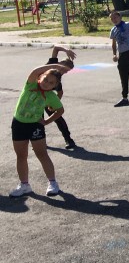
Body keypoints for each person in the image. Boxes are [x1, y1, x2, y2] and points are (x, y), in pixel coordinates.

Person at [9, 57, 74, 197]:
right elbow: (35, 71)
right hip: (18, 124)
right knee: (21, 155)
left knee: (42, 154)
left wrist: (46, 121)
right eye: (45, 79)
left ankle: (53, 183)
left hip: (35, 126)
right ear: (40, 78)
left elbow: (60, 111)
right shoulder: (30, 85)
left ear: (55, 86)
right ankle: (24, 185)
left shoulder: (51, 96)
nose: (47, 84)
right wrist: (56, 66)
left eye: (51, 83)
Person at [45, 45, 78, 150]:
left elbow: (60, 92)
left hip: (47, 98)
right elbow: (55, 48)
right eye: (63, 69)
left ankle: (69, 140)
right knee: (36, 120)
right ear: (60, 63)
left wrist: (53, 104)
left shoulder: (58, 78)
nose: (63, 72)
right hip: (36, 96)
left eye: (66, 71)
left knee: (58, 117)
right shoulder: (51, 64)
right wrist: (66, 50)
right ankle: (39, 141)